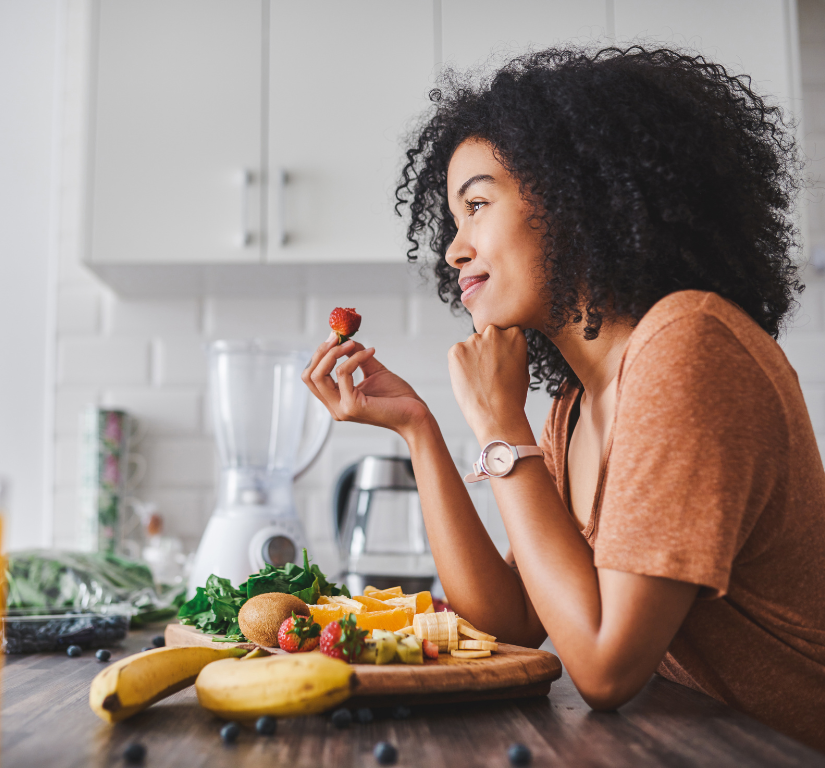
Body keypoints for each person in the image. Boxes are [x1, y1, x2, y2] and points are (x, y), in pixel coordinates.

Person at [302, 46, 825, 750]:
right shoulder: (573, 407)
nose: (454, 250)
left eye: (478, 205)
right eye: (453, 222)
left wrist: (499, 423)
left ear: (577, 200)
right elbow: (513, 621)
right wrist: (419, 431)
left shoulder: (688, 346)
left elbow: (606, 667)